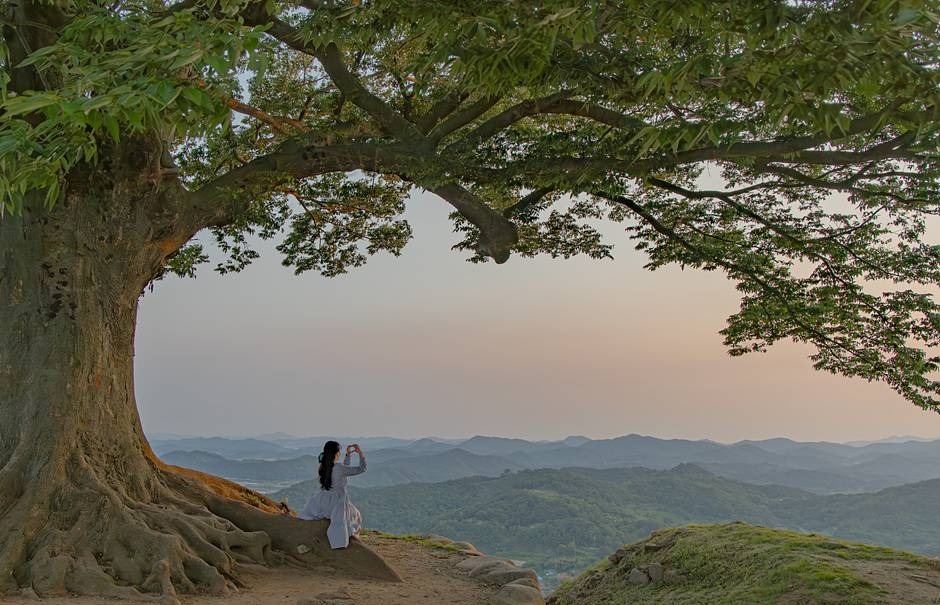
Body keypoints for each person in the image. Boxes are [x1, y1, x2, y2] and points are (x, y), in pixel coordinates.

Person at [298, 440, 367, 549]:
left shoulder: (325, 466)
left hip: (324, 501)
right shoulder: (339, 468)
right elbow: (362, 468)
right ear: (337, 453)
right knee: (356, 516)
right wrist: (360, 453)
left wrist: (348, 455)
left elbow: (344, 470)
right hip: (337, 502)